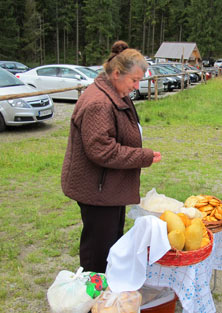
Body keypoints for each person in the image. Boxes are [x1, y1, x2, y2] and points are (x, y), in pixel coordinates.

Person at [61, 40, 162, 274]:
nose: (137, 86)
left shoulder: (113, 91)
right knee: (98, 252)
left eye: (139, 80)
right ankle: (92, 302)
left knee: (112, 244)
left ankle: (107, 296)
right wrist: (142, 157)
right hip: (96, 189)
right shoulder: (98, 102)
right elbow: (102, 150)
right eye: (134, 80)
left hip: (107, 187)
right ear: (116, 73)